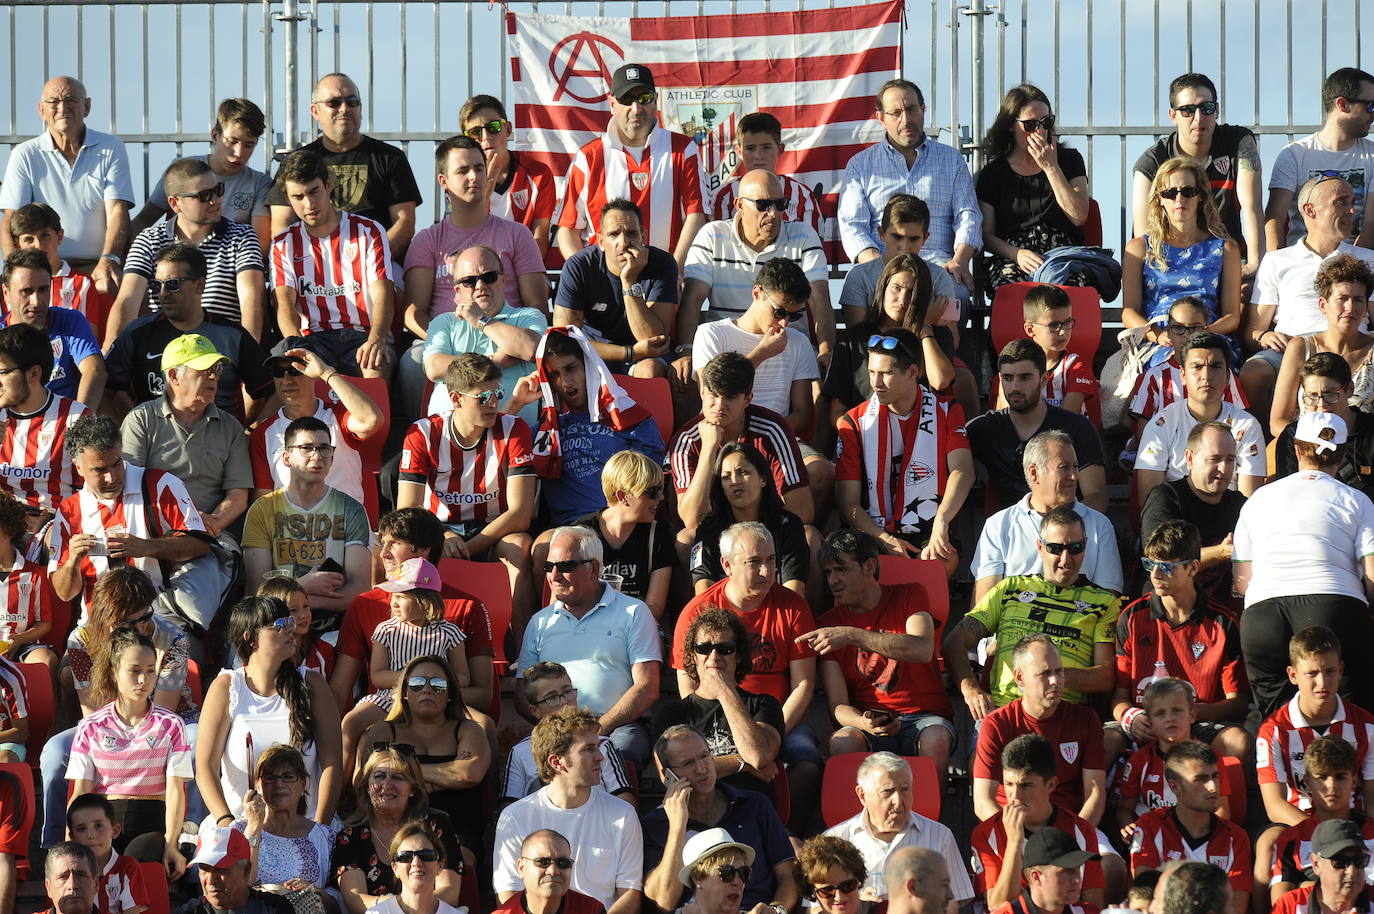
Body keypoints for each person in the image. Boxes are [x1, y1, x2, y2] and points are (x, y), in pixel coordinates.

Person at [671, 522, 820, 828]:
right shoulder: (698, 612)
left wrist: (771, 737)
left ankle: (790, 836)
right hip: (713, 719)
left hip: (776, 715)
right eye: (755, 562)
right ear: (726, 565)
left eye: (771, 561)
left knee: (806, 761)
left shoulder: (793, 607)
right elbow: (688, 687)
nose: (767, 572)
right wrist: (745, 753)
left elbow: (804, 685)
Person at [41, 566, 197, 849]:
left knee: (197, 742)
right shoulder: (82, 641)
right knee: (54, 752)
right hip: (106, 720)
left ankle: (189, 843)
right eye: (130, 623)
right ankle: (57, 847)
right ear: (106, 621)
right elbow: (91, 711)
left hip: (171, 719)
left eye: (146, 617)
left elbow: (160, 712)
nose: (142, 628)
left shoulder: (173, 638)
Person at [1236, 413, 1374, 714]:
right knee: (1348, 716)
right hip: (1335, 606)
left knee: (1275, 722)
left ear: (1297, 449)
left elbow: (1242, 580)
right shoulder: (1358, 500)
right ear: (1343, 454)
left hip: (1262, 614)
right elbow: (1372, 571)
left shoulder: (1258, 499)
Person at [401, 137, 547, 417]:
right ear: (443, 180)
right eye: (463, 170)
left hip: (507, 334)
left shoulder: (517, 234)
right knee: (414, 361)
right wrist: (442, 338)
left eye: (479, 168)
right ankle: (417, 440)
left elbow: (536, 306)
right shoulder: (427, 240)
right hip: (449, 337)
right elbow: (412, 312)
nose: (474, 177)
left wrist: (500, 334)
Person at [397, 352, 536, 621]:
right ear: (455, 398)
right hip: (439, 529)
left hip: (494, 529)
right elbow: (408, 509)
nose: (494, 403)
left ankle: (522, 651)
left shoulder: (515, 429)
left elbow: (521, 512)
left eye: (498, 394)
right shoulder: (422, 433)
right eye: (483, 397)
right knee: (393, 547)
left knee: (520, 546)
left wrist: (467, 547)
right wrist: (443, 537)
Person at [807, 529, 952, 779]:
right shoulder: (828, 626)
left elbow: (922, 649)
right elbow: (837, 705)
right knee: (842, 743)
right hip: (868, 721)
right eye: (828, 572)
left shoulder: (910, 594)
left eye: (841, 569)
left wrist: (853, 635)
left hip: (925, 716)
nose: (832, 580)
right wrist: (866, 723)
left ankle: (931, 816)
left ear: (869, 566)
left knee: (936, 739)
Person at [47, 414, 216, 625]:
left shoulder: (160, 485)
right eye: (99, 470)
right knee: (63, 659)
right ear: (78, 468)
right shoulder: (69, 511)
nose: (112, 477)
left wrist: (146, 546)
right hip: (98, 628)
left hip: (160, 620)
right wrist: (73, 561)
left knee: (182, 656)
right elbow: (64, 593)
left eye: (117, 464)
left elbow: (201, 545)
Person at [948, 511, 1121, 714]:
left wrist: (1048, 676)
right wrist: (971, 690)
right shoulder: (1010, 589)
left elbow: (1106, 677)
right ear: (1040, 547)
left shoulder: (1104, 603)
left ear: (1085, 546)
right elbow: (954, 642)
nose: (1066, 560)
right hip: (1005, 712)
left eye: (1075, 548)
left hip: (1064, 715)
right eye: (1055, 548)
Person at [515, 525, 660, 767]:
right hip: (556, 728)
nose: (554, 575)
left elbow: (647, 687)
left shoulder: (633, 612)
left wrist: (596, 729)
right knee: (521, 758)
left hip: (616, 726)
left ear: (594, 569)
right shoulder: (539, 621)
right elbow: (522, 693)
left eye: (566, 566)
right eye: (549, 567)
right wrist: (561, 730)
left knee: (619, 754)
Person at [835, 328, 972, 575]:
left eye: (886, 374)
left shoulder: (947, 410)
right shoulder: (853, 421)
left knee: (940, 559)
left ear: (912, 373)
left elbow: (963, 471)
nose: (875, 383)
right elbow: (848, 502)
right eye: (872, 372)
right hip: (872, 529)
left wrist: (941, 521)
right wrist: (885, 540)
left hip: (927, 525)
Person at [329, 508, 494, 713]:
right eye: (383, 543)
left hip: (447, 719)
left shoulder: (468, 607)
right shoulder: (364, 604)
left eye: (394, 543)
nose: (383, 553)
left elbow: (483, 696)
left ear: (424, 550)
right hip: (384, 714)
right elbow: (340, 689)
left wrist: (425, 695)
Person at [196, 596, 342, 826]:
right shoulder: (227, 686)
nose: (290, 629)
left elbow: (332, 763)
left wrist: (319, 830)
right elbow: (205, 767)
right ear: (251, 638)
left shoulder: (312, 683)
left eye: (289, 622)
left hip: (306, 825)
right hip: (241, 825)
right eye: (279, 625)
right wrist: (227, 823)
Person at [1111, 522, 1249, 760]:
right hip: (1144, 721)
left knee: (1239, 742)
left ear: (1193, 567)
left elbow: (1237, 704)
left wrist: (1186, 714)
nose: (1155, 575)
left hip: (1198, 722)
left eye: (1166, 567)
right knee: (1105, 740)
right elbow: (1119, 696)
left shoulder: (1222, 623)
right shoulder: (1132, 617)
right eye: (1150, 564)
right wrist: (1130, 717)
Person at [506, 327, 665, 527]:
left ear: (589, 366)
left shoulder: (629, 418)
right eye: (554, 374)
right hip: (570, 534)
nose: (565, 382)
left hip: (623, 526)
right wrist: (516, 402)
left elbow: (649, 482)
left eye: (571, 368)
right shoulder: (545, 433)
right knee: (539, 548)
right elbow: (492, 453)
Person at [1242, 174, 1374, 414]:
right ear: (1310, 210)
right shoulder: (1277, 261)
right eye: (1341, 202)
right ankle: (1267, 444)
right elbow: (1252, 330)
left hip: (1354, 347)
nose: (1352, 210)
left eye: (1352, 202)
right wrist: (1263, 336)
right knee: (1254, 372)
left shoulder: (1367, 259)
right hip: (1293, 347)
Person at [555, 63, 705, 271]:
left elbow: (696, 216)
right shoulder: (588, 157)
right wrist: (588, 277)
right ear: (612, 103)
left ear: (655, 100)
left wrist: (675, 271)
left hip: (663, 283)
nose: (636, 108)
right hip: (605, 288)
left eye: (643, 98)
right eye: (626, 99)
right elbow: (568, 229)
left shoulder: (683, 149)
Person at [493, 707, 643, 914]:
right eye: (588, 749)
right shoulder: (515, 817)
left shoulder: (623, 814)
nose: (600, 757)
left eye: (597, 747)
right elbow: (509, 896)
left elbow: (630, 896)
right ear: (557, 762)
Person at [838, 78, 980, 296]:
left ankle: (945, 333)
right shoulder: (861, 165)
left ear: (923, 110)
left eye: (912, 109)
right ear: (881, 118)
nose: (906, 119)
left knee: (956, 292)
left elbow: (968, 215)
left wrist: (960, 261)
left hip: (938, 264)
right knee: (856, 288)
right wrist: (881, 268)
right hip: (881, 262)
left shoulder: (952, 160)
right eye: (896, 113)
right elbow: (852, 226)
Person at [677, 170, 834, 367]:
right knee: (684, 379)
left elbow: (819, 298)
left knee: (821, 384)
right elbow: (692, 299)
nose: (774, 213)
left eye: (780, 204)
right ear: (739, 205)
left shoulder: (803, 235)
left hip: (789, 351)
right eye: (763, 205)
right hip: (724, 354)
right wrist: (685, 350)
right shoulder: (712, 235)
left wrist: (826, 351)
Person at [67, 626, 191, 874]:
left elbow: (176, 791)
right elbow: (80, 793)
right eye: (134, 672)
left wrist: (171, 842)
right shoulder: (90, 727)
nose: (144, 680)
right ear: (114, 673)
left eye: (149, 671)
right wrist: (70, 848)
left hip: (152, 823)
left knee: (140, 866)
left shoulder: (172, 725)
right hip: (102, 824)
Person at [105, 241, 273, 422]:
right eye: (156, 285)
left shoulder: (232, 335)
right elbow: (109, 389)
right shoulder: (136, 332)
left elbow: (269, 391)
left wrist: (250, 433)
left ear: (199, 285)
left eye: (172, 284)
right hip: (155, 445)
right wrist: (133, 429)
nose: (162, 293)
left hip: (220, 442)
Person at [640, 726, 796, 914]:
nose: (701, 769)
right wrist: (677, 826)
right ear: (668, 776)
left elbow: (789, 875)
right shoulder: (654, 825)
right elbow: (664, 902)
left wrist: (776, 910)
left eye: (704, 756)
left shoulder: (753, 804)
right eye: (688, 763)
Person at [0, 76, 132, 296]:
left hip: (96, 268)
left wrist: (109, 260)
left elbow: (118, 210)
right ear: (41, 110)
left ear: (87, 106)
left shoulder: (111, 147)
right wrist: (15, 270)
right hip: (42, 268)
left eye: (71, 100)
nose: (62, 108)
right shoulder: (24, 154)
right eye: (53, 102)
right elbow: (10, 220)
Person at [109, 157, 266, 341]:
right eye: (204, 196)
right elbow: (127, 301)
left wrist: (246, 356)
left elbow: (252, 303)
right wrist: (112, 356)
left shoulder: (242, 236)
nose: (215, 201)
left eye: (217, 190)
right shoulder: (149, 239)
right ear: (175, 203)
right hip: (163, 351)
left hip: (221, 350)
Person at [267, 73, 422, 260]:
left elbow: (404, 223)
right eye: (334, 103)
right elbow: (281, 222)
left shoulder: (390, 157)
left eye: (352, 102)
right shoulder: (296, 162)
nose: (344, 108)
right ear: (315, 111)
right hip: (312, 267)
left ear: (360, 108)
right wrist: (309, 266)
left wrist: (371, 265)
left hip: (377, 265)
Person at [270, 150, 393, 380]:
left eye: (314, 192)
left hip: (364, 335)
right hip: (313, 339)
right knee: (289, 372)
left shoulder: (368, 231)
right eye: (298, 197)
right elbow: (284, 305)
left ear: (328, 185)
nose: (309, 204)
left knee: (373, 366)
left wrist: (377, 339)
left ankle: (378, 417)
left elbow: (383, 293)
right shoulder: (283, 244)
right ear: (288, 199)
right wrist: (299, 348)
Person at [339, 561, 469, 774]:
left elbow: (463, 677)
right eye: (393, 596)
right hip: (387, 697)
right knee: (350, 724)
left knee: (483, 725)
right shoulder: (385, 630)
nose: (393, 603)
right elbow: (378, 677)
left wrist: (430, 682)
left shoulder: (449, 633)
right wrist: (413, 678)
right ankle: (344, 790)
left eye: (401, 596)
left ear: (425, 601)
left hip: (434, 699)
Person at [120, 334, 253, 541]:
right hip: (152, 534)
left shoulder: (231, 427)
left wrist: (213, 522)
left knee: (202, 571)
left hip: (211, 537)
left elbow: (238, 495)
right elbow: (129, 487)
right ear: (174, 376)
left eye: (216, 369)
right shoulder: (140, 420)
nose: (213, 377)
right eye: (204, 369)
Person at [969, 635, 1108, 825]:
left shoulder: (1085, 719)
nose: (1055, 681)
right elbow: (983, 802)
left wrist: (1074, 838)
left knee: (1111, 857)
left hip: (1071, 830)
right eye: (1045, 673)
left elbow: (1096, 796)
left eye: (1059, 672)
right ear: (1020, 677)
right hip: (1011, 830)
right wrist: (1017, 837)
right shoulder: (997, 724)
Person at [971, 428, 1122, 603]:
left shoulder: (1099, 525)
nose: (1074, 476)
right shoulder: (998, 525)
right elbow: (984, 604)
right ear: (1034, 473)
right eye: (1064, 467)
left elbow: (1108, 600)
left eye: (1075, 467)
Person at [824, 253, 957, 449]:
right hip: (864, 441)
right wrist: (862, 435)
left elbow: (940, 380)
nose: (902, 299)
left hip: (921, 443)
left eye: (912, 292)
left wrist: (925, 327)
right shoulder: (852, 339)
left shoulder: (935, 335)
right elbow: (837, 411)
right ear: (883, 288)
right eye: (896, 288)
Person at [1132, 73, 1264, 271]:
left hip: (1231, 259)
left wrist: (1255, 266)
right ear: (1172, 116)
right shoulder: (1151, 162)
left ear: (1217, 110)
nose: (1198, 117)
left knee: (1252, 295)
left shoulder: (1240, 142)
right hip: (1172, 264)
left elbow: (1252, 206)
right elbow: (1144, 234)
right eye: (1187, 111)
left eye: (1207, 108)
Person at [670, 351, 813, 528]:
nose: (720, 406)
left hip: (765, 529)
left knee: (809, 536)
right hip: (715, 532)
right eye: (713, 394)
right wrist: (709, 447)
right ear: (701, 392)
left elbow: (802, 510)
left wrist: (751, 537)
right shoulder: (687, 440)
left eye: (730, 397)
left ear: (747, 399)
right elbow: (692, 520)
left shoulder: (771, 429)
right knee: (686, 540)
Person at [651, 609, 783, 800]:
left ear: (738, 655)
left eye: (725, 648)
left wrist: (724, 691)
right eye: (703, 648)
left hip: (750, 813)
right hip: (695, 818)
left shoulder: (764, 704)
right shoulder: (673, 713)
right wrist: (741, 762)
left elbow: (758, 755)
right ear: (693, 656)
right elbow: (671, 777)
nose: (713, 657)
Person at [242, 415, 371, 610]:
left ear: (332, 458)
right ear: (287, 458)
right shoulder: (262, 510)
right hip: (279, 623)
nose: (317, 456)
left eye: (324, 449)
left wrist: (300, 602)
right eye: (306, 448)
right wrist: (302, 586)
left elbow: (359, 589)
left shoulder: (351, 509)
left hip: (334, 622)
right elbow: (256, 593)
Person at [967, 340, 1108, 515]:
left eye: (1025, 377)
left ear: (1043, 379)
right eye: (1008, 378)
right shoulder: (984, 429)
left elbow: (1096, 497)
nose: (1015, 387)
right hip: (1009, 534)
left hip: (1065, 533)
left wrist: (1056, 530)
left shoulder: (1077, 428)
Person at [1255, 625, 1374, 827]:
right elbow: (1275, 805)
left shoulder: (1366, 726)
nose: (1322, 682)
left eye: (1329, 671)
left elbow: (1372, 803)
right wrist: (1323, 835)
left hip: (1354, 827)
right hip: (1300, 826)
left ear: (1340, 670)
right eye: (1312, 673)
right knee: (1268, 839)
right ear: (1293, 675)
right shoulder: (1273, 731)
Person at [970, 734, 1106, 909]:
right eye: (1009, 784)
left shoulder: (1081, 830)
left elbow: (1093, 905)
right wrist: (1014, 843)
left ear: (1051, 785)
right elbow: (998, 907)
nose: (1015, 796)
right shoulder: (987, 833)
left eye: (1026, 785)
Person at [417, 244, 547, 424]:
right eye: (469, 281)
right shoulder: (444, 322)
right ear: (458, 290)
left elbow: (531, 349)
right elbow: (434, 368)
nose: (480, 286)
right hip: (450, 440)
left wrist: (482, 320)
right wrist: (495, 361)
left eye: (489, 277)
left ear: (503, 280)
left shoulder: (529, 316)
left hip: (517, 438)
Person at [977, 84, 1091, 290]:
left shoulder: (1069, 160)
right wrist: (1016, 254)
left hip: (1061, 254)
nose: (1040, 131)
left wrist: (1051, 167)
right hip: (1014, 256)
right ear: (1011, 125)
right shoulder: (993, 174)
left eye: (1046, 122)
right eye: (1030, 125)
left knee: (1066, 289)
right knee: (1010, 289)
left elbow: (1079, 215)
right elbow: (986, 235)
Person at [249, 342, 384, 514]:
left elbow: (372, 420)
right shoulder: (263, 433)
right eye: (278, 372)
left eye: (295, 370)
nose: (286, 380)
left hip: (346, 530)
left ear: (312, 371)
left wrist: (326, 372)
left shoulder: (338, 416)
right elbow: (264, 502)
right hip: (293, 533)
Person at [691, 257, 821, 436]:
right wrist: (762, 353)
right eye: (779, 312)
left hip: (775, 437)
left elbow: (802, 414)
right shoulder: (711, 333)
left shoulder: (798, 342)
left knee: (820, 466)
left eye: (794, 316)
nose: (785, 323)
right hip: (720, 434)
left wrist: (763, 437)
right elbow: (712, 391)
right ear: (757, 293)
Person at [822, 752, 974, 905]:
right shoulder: (835, 841)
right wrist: (854, 901)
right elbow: (816, 908)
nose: (898, 801)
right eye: (888, 791)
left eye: (905, 789)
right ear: (863, 795)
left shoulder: (940, 835)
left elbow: (954, 900)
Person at [329, 747, 463, 914]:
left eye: (398, 777)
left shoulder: (436, 826)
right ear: (367, 786)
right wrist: (397, 907)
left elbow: (449, 892)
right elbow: (357, 901)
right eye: (379, 776)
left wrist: (410, 908)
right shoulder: (350, 837)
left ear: (413, 789)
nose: (387, 785)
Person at [1135, 332, 1265, 503]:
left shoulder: (1247, 425)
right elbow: (1151, 503)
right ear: (1182, 375)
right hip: (1175, 522)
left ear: (1227, 376)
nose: (1206, 375)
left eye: (1215, 366)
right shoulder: (1161, 424)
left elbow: (1249, 504)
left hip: (1229, 522)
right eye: (1197, 367)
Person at [1122, 157, 1241, 343]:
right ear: (1159, 199)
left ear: (1200, 195)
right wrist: (1158, 336)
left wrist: (1199, 334)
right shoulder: (1138, 248)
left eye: (1188, 191)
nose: (1179, 199)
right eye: (1170, 193)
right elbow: (1129, 311)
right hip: (1158, 339)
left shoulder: (1226, 249)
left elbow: (1232, 316)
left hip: (1208, 339)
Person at [553, 199, 674, 379]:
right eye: (614, 234)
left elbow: (654, 338)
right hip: (593, 353)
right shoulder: (579, 265)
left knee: (650, 370)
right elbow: (565, 337)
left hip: (646, 356)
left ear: (644, 237)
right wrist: (629, 352)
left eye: (631, 233)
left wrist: (629, 281)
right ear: (601, 241)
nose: (624, 242)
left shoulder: (662, 263)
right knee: (570, 370)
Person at [131, 98, 273, 250]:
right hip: (178, 263)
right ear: (214, 135)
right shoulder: (182, 170)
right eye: (232, 141)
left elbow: (259, 246)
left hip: (228, 266)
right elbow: (143, 220)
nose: (239, 153)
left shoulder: (260, 183)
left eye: (249, 145)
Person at [1128, 742, 1251, 914]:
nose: (1212, 787)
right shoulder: (1150, 825)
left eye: (1215, 776)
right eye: (1200, 779)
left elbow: (1236, 907)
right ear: (1174, 787)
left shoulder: (1236, 837)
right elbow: (1145, 897)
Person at [1266, 67, 1374, 253]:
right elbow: (1275, 216)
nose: (1373, 114)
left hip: (1356, 269)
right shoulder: (1294, 154)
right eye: (1370, 106)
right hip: (1301, 264)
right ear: (1342, 105)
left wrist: (1349, 267)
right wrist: (1278, 264)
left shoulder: (1372, 155)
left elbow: (1371, 225)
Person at [500, 662, 634, 808]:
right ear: (534, 710)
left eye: (567, 691)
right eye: (551, 697)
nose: (564, 702)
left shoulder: (603, 746)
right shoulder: (520, 752)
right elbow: (508, 809)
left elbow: (625, 803)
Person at [1138, 420, 1246, 602]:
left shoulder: (1240, 505)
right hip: (1165, 607)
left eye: (1230, 460)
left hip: (1223, 612)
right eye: (1215, 459)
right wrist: (1221, 552)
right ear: (1189, 459)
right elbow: (1163, 564)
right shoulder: (1166, 498)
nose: (1224, 468)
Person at [687, 441, 811, 596]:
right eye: (726, 477)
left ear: (763, 479)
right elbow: (703, 589)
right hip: (724, 617)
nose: (734, 481)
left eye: (743, 472)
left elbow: (794, 590)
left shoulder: (789, 525)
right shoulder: (709, 527)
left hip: (776, 615)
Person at [1272, 254, 1374, 435]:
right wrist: (1314, 445)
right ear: (1322, 305)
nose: (1350, 307)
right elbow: (1278, 421)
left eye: (1358, 299)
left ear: (1366, 307)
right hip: (1309, 451)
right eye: (1342, 298)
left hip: (1363, 453)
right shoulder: (1301, 347)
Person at [1114, 679, 1234, 827]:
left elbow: (1221, 810)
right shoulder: (1139, 761)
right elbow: (1124, 810)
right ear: (1150, 723)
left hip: (1197, 838)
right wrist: (1129, 829)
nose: (1170, 718)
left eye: (1177, 710)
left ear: (1192, 716)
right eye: (1160, 713)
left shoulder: (1211, 758)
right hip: (1152, 839)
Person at [568, 450, 672, 619]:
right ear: (622, 496)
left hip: (634, 630)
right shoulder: (579, 537)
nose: (660, 497)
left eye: (661, 489)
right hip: (586, 627)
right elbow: (563, 603)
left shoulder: (657, 536)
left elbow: (654, 608)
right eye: (652, 491)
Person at [0, 321, 86, 526]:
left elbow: (99, 492)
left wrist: (54, 523)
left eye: (2, 372)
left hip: (59, 528)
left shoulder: (76, 419)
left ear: (34, 374)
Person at [1268, 736, 1374, 902]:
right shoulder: (1290, 840)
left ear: (1353, 781)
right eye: (1322, 777)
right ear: (1308, 782)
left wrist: (1309, 887)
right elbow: (1281, 902)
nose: (1331, 785)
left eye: (1340, 777)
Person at [1129, 297, 1248, 437]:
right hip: (1166, 451)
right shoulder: (1155, 377)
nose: (1186, 334)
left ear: (1206, 330)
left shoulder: (1223, 375)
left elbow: (1240, 421)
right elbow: (1143, 432)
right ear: (1168, 331)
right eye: (1178, 327)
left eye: (1195, 328)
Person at [1, 249, 105, 406]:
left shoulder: (70, 321)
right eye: (26, 291)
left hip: (66, 422)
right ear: (6, 293)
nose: (36, 301)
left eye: (43, 289)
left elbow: (95, 371)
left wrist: (77, 425)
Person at [459, 95, 557, 257]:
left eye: (494, 127)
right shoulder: (459, 179)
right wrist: (485, 190)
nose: (486, 137)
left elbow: (539, 241)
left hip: (525, 269)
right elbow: (464, 236)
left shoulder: (538, 174)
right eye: (475, 132)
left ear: (508, 129)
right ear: (466, 139)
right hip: (478, 270)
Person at [234, 744, 335, 893]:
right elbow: (239, 886)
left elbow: (338, 904)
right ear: (258, 785)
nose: (279, 784)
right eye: (270, 778)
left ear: (303, 784)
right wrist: (254, 828)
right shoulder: (238, 830)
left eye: (288, 777)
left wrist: (314, 891)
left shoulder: (325, 837)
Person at [1275, 353, 1374, 501]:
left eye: (1330, 394)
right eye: (1312, 396)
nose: (1321, 405)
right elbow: (1289, 493)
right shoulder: (1293, 435)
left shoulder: (1371, 429)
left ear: (1349, 390)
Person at [9, 203, 109, 345]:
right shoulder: (8, 285)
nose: (38, 245)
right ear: (17, 244)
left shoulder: (82, 283)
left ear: (60, 236)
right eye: (29, 239)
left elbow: (89, 342)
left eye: (45, 236)